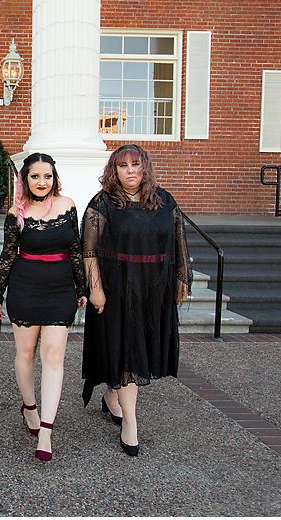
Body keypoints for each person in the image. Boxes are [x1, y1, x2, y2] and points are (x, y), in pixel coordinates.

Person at [81, 144, 192, 457]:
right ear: (114, 170)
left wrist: (182, 277)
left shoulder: (164, 200)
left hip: (153, 289)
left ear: (145, 168)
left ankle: (111, 396)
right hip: (117, 289)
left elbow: (178, 240)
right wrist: (95, 288)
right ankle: (130, 423)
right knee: (127, 351)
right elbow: (88, 250)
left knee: (137, 348)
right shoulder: (102, 203)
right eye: (123, 166)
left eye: (135, 165)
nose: (130, 171)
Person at [0, 153, 87, 462]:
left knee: (54, 355)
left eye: (47, 176)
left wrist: (81, 286)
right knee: (26, 353)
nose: (42, 182)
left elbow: (76, 248)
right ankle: (29, 408)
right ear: (25, 179)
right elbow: (8, 254)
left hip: (60, 289)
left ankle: (46, 429)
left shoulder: (68, 205)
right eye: (35, 176)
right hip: (25, 288)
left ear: (54, 178)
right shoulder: (16, 211)